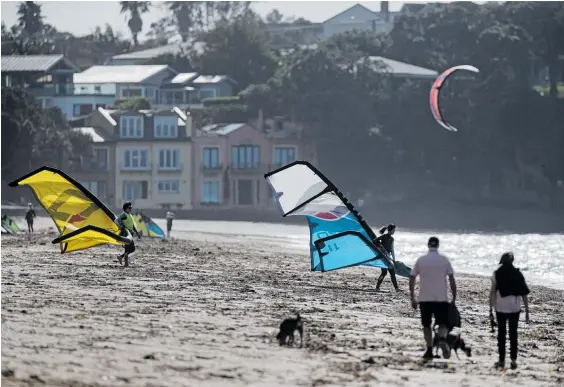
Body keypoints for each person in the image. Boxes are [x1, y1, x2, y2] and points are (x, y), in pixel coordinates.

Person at [409, 236, 457, 360]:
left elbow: (412, 277)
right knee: (442, 323)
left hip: (425, 298)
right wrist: (454, 296)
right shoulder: (444, 260)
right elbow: (451, 279)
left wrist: (412, 297)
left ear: (428, 245)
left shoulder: (421, 260)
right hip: (441, 298)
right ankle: (441, 339)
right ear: (438, 246)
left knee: (426, 324)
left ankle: (429, 349)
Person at [489, 252, 530, 370]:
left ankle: (501, 360)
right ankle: (513, 360)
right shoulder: (517, 274)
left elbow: (492, 292)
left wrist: (490, 309)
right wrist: (527, 310)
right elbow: (523, 293)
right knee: (513, 334)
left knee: (501, 334)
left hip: (500, 307)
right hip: (514, 308)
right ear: (512, 261)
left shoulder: (496, 274)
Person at [374, 224, 399, 291]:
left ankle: (396, 288)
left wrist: (394, 259)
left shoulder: (392, 239)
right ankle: (377, 287)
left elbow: (392, 249)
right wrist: (381, 248)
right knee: (386, 272)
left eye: (394, 230)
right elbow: (375, 241)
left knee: (389, 272)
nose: (394, 231)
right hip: (382, 257)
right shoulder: (384, 236)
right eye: (393, 230)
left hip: (388, 258)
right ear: (390, 230)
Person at [115, 202, 141, 267]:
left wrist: (137, 233)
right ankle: (124, 261)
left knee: (129, 249)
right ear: (125, 208)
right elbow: (117, 220)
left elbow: (132, 226)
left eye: (131, 208)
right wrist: (122, 226)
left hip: (130, 234)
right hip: (126, 234)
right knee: (131, 249)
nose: (130, 209)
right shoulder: (124, 215)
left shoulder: (130, 215)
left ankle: (122, 258)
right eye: (129, 208)